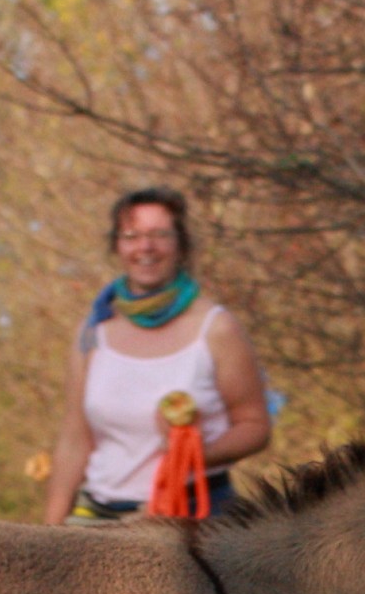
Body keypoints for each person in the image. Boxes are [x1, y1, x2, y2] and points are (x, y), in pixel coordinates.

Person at [43, 187, 272, 524]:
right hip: (98, 516)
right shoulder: (93, 331)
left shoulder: (217, 328)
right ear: (117, 246)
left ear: (181, 245)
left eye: (160, 234)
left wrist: (197, 455)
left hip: (194, 516)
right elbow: (75, 439)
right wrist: (51, 531)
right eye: (131, 236)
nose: (145, 247)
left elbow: (255, 426)